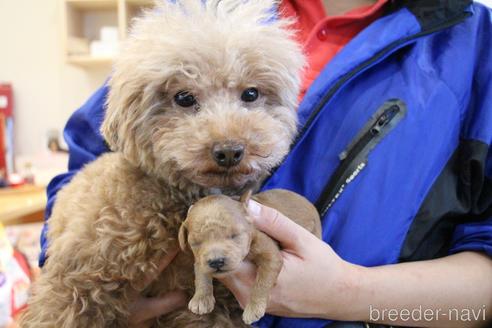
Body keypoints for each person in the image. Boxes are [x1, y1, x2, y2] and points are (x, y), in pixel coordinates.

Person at [40, 0, 492, 327]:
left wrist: (348, 295)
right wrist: (89, 296)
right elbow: (89, 151)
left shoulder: (472, 43)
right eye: (185, 100)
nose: (227, 141)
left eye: (250, 95)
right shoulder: (188, 15)